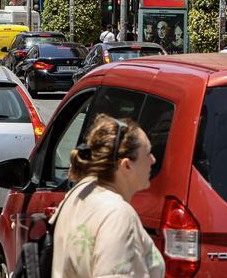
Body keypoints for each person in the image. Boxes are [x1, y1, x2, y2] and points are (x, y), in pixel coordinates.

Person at [52, 114, 163, 278]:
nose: (153, 160)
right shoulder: (118, 214)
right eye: (148, 153)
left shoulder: (77, 194)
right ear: (126, 166)